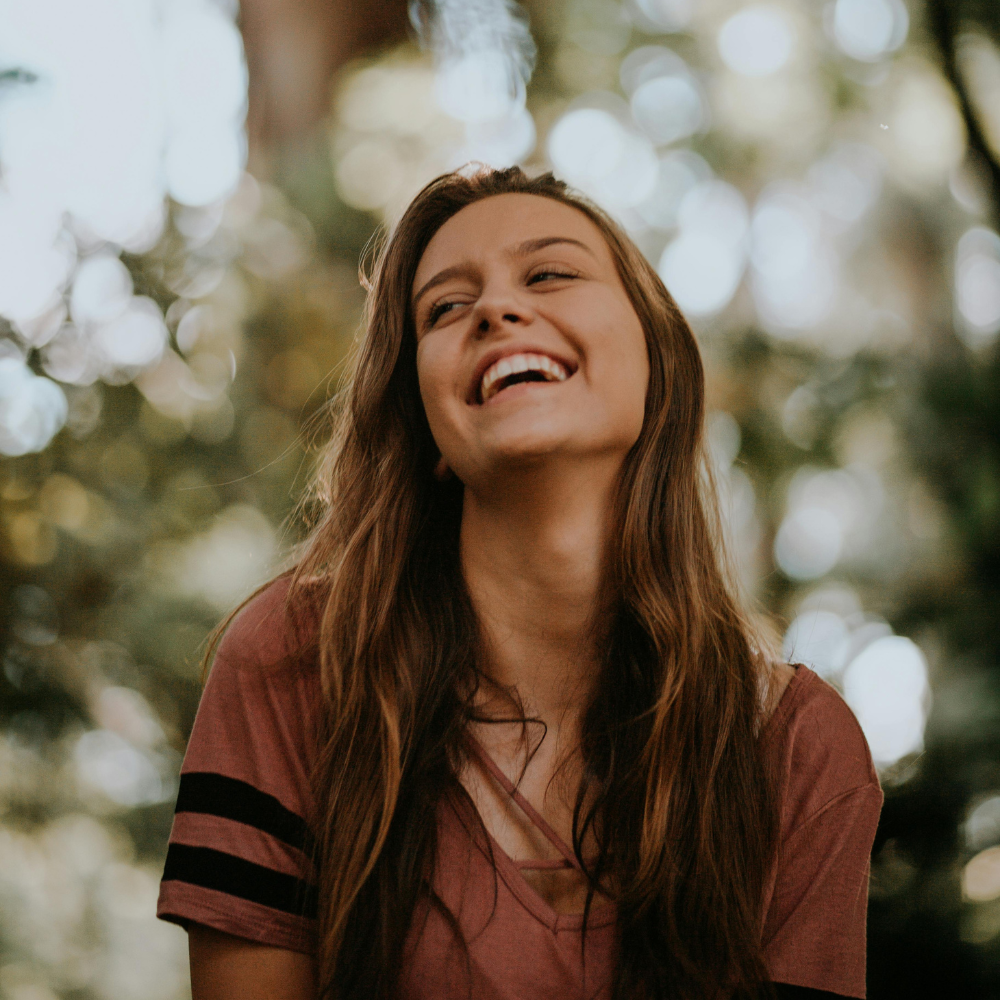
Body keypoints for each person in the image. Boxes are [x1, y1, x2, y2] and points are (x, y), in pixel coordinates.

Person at [156, 166, 883, 1000]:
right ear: (427, 419)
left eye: (549, 274)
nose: (497, 310)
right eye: (445, 308)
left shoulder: (796, 749)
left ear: (657, 363)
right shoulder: (292, 665)